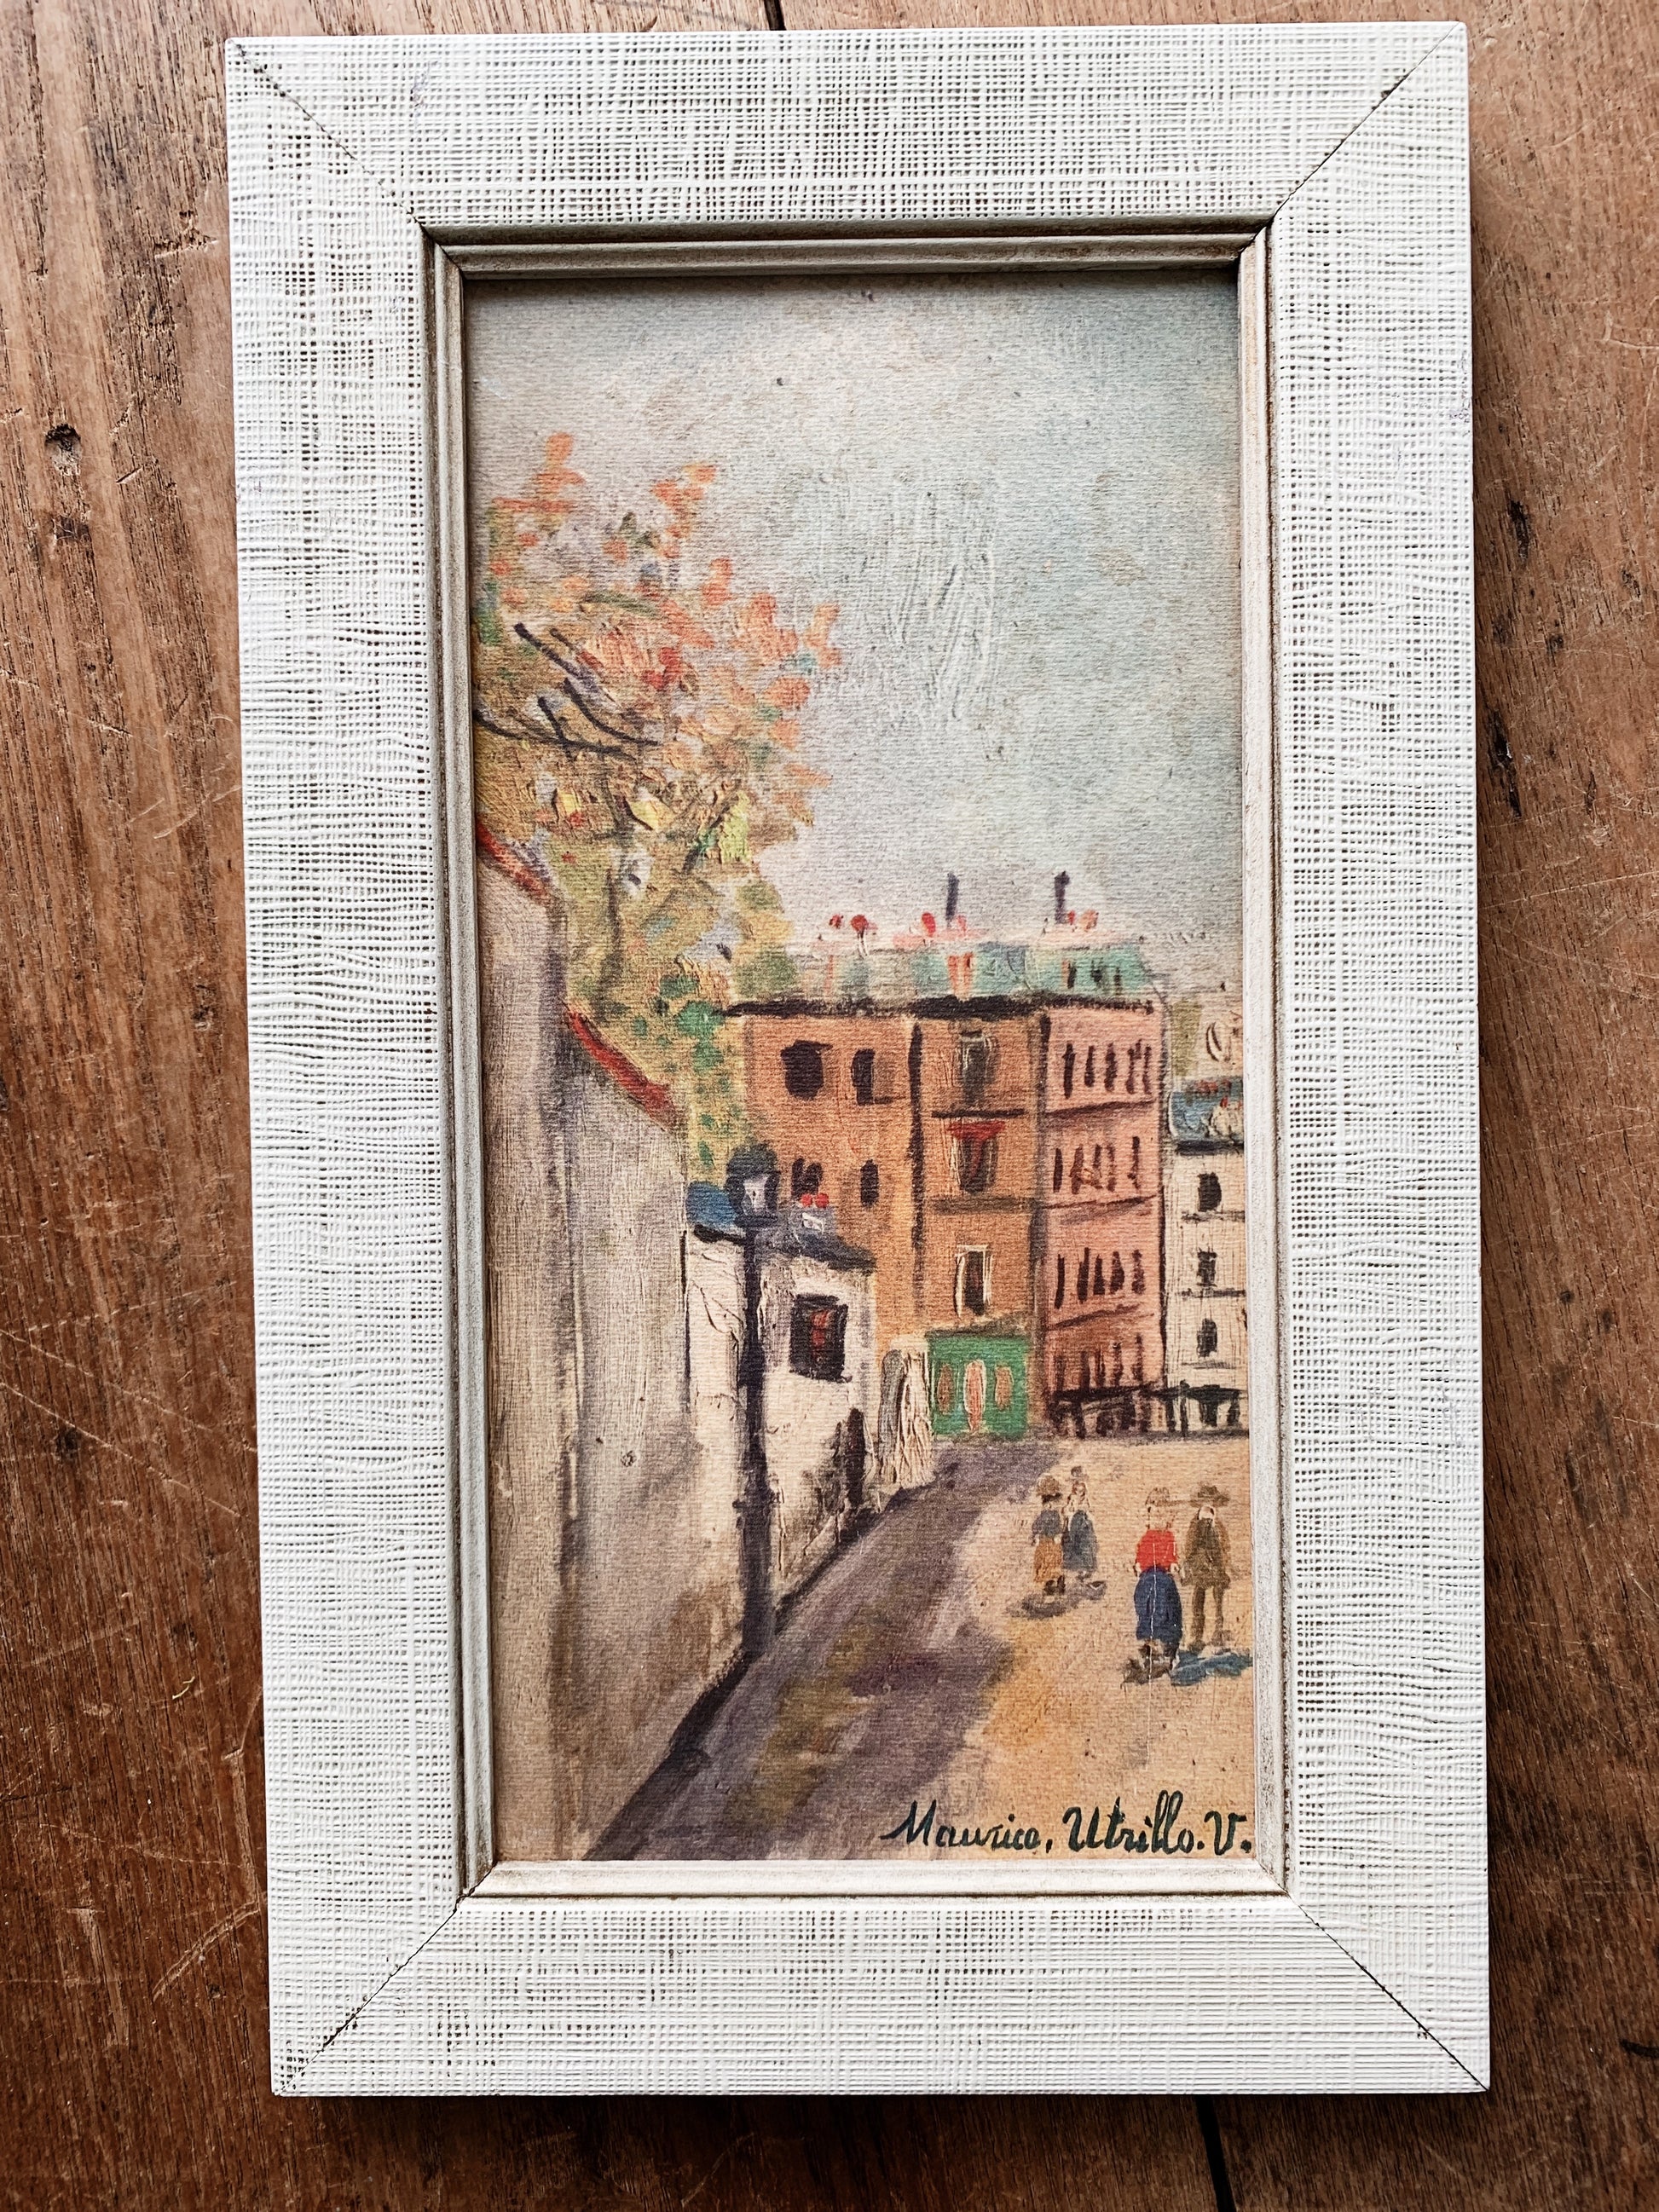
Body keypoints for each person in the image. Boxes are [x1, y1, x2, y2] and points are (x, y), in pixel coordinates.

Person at [1131, 1489, 1183, 1675]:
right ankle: (1149, 1642)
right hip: (1148, 1577)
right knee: (1144, 1602)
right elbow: (1141, 1555)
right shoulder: (1146, 1538)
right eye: (1154, 1515)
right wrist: (1138, 1565)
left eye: (1161, 1515)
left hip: (1163, 1577)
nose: (1157, 1519)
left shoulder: (1169, 1537)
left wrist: (1174, 1565)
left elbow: (1172, 1557)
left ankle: (1167, 1645)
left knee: (1167, 1606)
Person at [1182, 1484, 1233, 1650]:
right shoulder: (1195, 1524)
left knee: (1218, 1601)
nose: (1207, 1505)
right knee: (1199, 1601)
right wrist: (1191, 1563)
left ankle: (1217, 1632)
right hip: (1200, 1568)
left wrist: (1223, 1564)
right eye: (1204, 1501)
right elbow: (1189, 1546)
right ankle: (1197, 1636)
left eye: (1211, 1501)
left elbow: (1224, 1546)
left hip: (1216, 1567)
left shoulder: (1217, 1525)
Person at [1032, 1473, 1066, 1595]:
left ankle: (1058, 1583)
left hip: (1052, 1542)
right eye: (1046, 1503)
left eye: (1051, 1502)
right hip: (1044, 1542)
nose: (1049, 1505)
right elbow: (1036, 1526)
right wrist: (1036, 1536)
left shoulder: (1056, 1515)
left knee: (1054, 1561)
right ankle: (1048, 1585)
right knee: (1043, 1562)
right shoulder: (1042, 1515)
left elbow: (1059, 1526)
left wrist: (1058, 1535)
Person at [1061, 1466, 1098, 1578]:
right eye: (1077, 1489)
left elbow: (1091, 1510)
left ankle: (1086, 1568)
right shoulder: (1071, 1497)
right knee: (1073, 1544)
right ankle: (1077, 1568)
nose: (1079, 1491)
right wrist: (1070, 1510)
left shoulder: (1086, 1498)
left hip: (1084, 1524)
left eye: (1081, 1489)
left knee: (1085, 1544)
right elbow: (1066, 1510)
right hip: (1074, 1523)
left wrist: (1085, 1510)